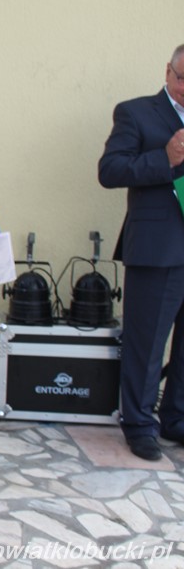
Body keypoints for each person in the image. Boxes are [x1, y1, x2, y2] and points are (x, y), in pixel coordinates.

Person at [98, 44, 184, 462]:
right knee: (145, 345)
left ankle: (176, 418)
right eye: (183, 79)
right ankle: (138, 424)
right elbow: (110, 171)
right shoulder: (136, 113)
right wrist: (164, 158)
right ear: (168, 71)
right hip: (157, 249)